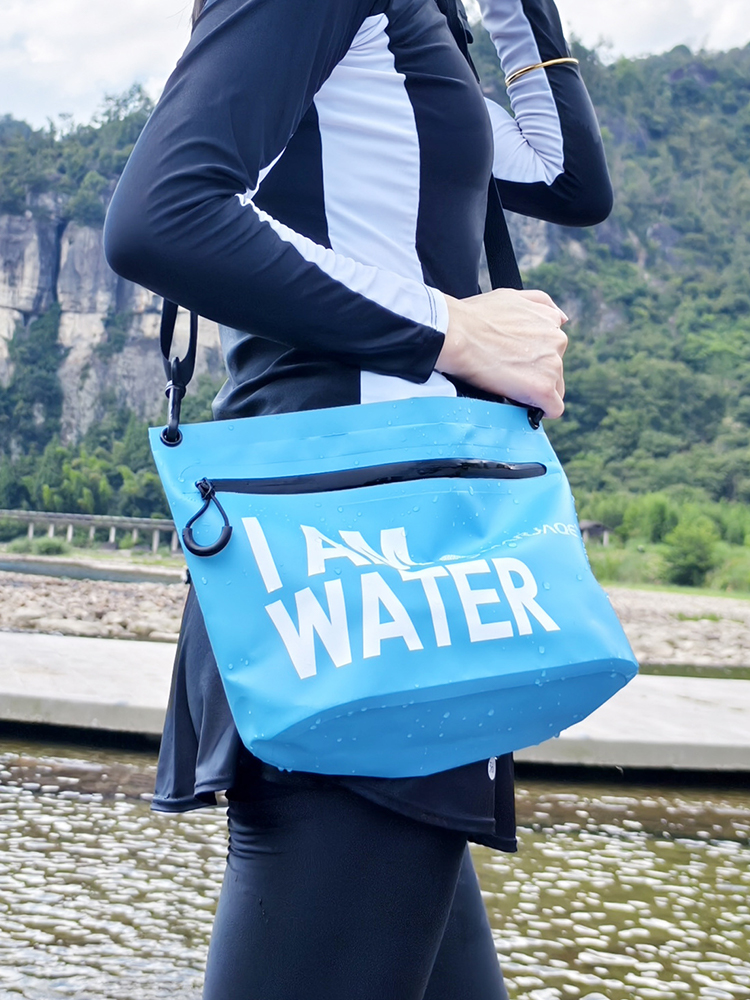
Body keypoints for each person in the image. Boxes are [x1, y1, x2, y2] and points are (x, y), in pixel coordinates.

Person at [104, 0, 612, 996]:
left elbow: (566, 180)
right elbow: (162, 214)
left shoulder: (417, 22)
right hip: (354, 554)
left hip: (405, 565)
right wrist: (452, 330)